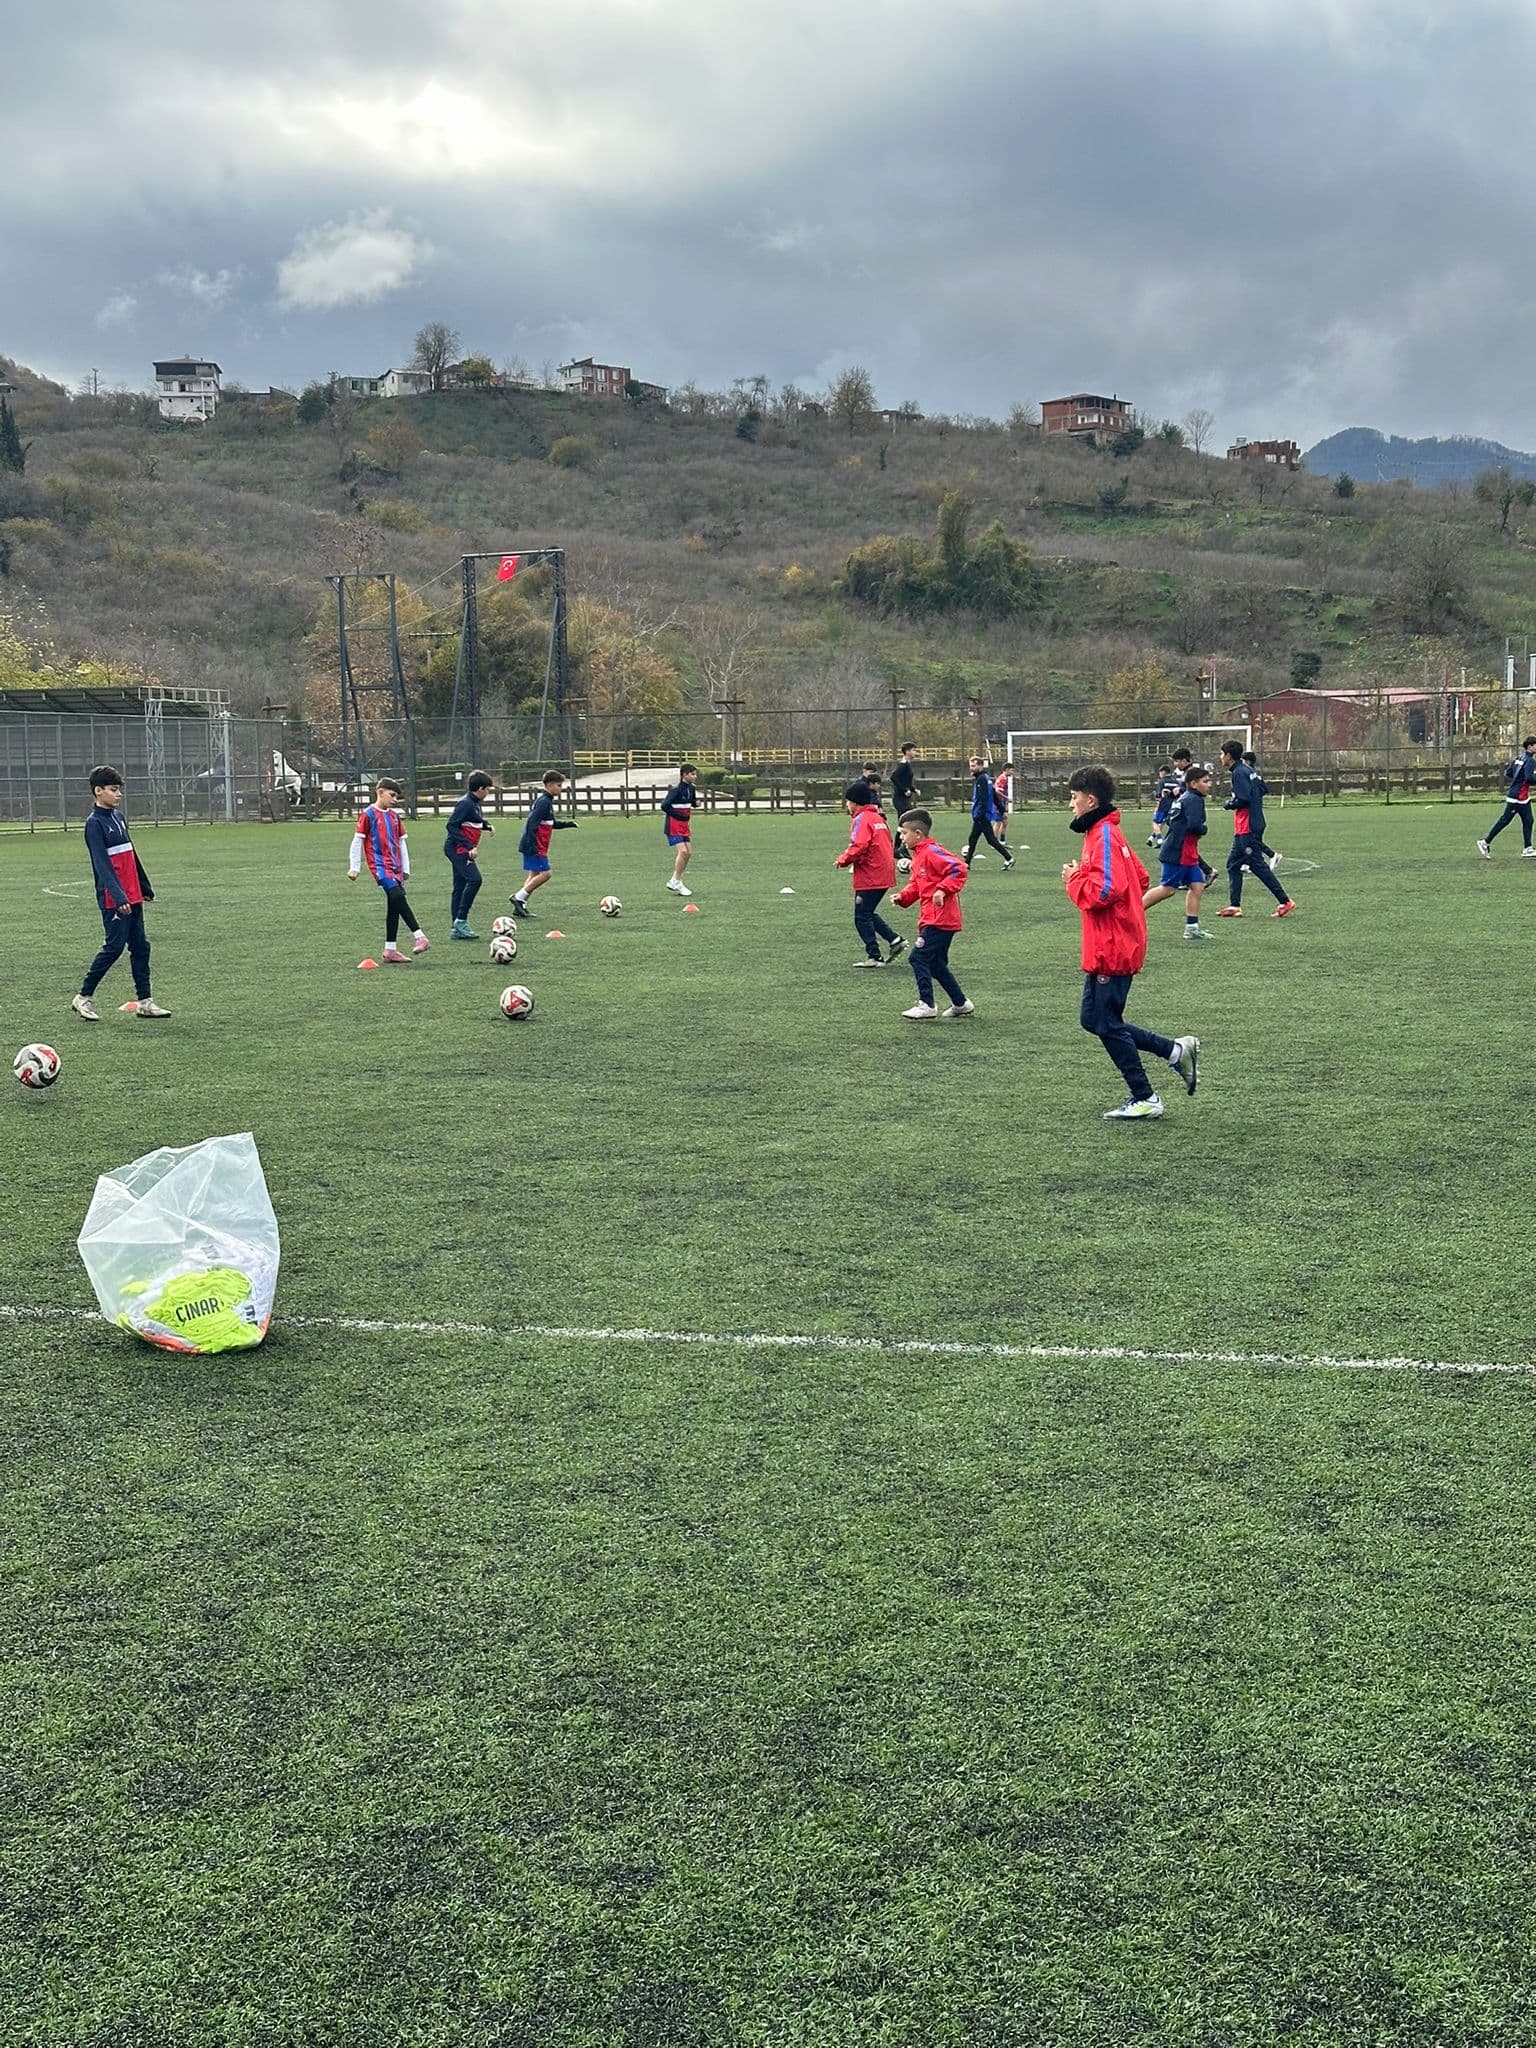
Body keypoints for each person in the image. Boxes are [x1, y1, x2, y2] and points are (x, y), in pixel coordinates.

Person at [1063, 765, 1198, 1121]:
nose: (1071, 805)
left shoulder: (1104, 835)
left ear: (1090, 800)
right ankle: (1173, 1051)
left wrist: (1074, 878)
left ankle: (1146, 1095)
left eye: (1074, 798)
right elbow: (1139, 878)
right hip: (1110, 940)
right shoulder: (1105, 833)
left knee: (1104, 1021)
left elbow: (1105, 890)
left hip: (1113, 944)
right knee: (1093, 1019)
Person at [71, 766, 171, 1020]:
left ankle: (145, 1002)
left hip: (132, 894)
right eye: (113, 790)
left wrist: (144, 886)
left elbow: (130, 854)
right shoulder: (94, 824)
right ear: (98, 791)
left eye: (119, 790)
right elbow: (102, 865)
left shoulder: (119, 817)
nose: (118, 795)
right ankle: (83, 997)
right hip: (114, 898)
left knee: (141, 946)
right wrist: (119, 897)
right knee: (114, 947)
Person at [893, 809, 972, 1020]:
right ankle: (961, 1003)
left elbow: (959, 868)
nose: (901, 837)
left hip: (941, 918)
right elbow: (917, 885)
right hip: (932, 917)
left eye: (903, 833)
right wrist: (903, 897)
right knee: (936, 964)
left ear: (918, 833)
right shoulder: (918, 856)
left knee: (917, 957)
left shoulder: (932, 852)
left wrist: (943, 889)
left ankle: (926, 1004)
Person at [349, 775, 429, 962]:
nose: (394, 800)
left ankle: (390, 950)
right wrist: (354, 867)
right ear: (380, 792)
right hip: (379, 866)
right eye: (392, 795)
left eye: (397, 797)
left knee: (394, 906)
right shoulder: (368, 815)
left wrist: (406, 869)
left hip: (396, 868)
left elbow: (402, 844)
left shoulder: (394, 817)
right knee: (397, 896)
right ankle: (420, 936)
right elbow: (357, 840)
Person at [1217, 741, 1296, 919]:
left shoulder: (1238, 772)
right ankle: (1234, 905)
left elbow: (1243, 798)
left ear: (1229, 755)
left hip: (1248, 826)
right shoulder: (1248, 770)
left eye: (1221, 754)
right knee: (1233, 864)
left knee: (1256, 865)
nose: (1220, 757)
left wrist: (1230, 804)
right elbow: (1262, 789)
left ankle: (1285, 901)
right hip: (1250, 823)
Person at [835, 779, 905, 968]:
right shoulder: (878, 818)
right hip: (883, 871)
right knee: (867, 912)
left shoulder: (862, 819)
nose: (847, 806)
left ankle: (875, 956)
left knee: (861, 917)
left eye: (848, 802)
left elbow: (860, 845)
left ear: (855, 802)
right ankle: (894, 940)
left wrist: (843, 860)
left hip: (872, 873)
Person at [1142, 764, 1213, 939]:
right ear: (1194, 784)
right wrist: (1203, 829)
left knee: (1197, 886)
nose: (1209, 784)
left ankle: (1192, 928)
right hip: (1178, 852)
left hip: (1186, 852)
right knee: (1167, 889)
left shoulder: (1184, 798)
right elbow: (1194, 825)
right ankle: (1131, 913)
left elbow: (1172, 821)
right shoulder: (1194, 799)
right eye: (1205, 781)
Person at [511, 770, 577, 920]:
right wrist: (531, 844)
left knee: (534, 874)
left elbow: (549, 823)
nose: (561, 789)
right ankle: (518, 898)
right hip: (535, 845)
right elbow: (531, 823)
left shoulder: (546, 801)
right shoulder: (543, 802)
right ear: (550, 785)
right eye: (559, 785)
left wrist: (568, 824)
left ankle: (520, 906)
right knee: (546, 874)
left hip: (537, 845)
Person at [445, 770, 495, 939]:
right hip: (457, 849)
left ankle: (456, 928)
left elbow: (472, 819)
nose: (488, 793)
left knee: (459, 887)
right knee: (475, 879)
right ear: (480, 788)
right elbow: (451, 826)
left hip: (459, 849)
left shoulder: (474, 803)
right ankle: (461, 921)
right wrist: (468, 846)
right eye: (487, 789)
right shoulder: (466, 803)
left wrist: (486, 825)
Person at [1478, 737, 1536, 860]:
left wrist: (1519, 780)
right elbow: (1530, 778)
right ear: (1530, 746)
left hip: (1521, 797)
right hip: (1517, 797)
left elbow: (1509, 773)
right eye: (1535, 745)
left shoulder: (1519, 758)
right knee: (1504, 821)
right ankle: (1485, 841)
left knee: (1529, 820)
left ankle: (1528, 848)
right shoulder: (1530, 761)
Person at [964, 756, 1014, 869]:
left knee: (990, 840)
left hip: (982, 815)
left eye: (973, 766)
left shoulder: (982, 779)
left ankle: (1009, 859)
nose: (971, 768)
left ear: (981, 766)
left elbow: (983, 799)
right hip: (982, 815)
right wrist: (1001, 809)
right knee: (973, 838)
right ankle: (967, 863)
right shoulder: (986, 778)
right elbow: (994, 796)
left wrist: (980, 815)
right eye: (970, 766)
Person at [662, 764, 698, 896]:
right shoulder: (675, 790)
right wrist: (679, 816)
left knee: (688, 853)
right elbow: (664, 805)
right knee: (683, 851)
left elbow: (691, 802)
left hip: (684, 825)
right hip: (674, 825)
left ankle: (676, 880)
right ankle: (675, 881)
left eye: (695, 774)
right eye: (692, 774)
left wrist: (696, 804)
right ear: (684, 775)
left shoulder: (692, 789)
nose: (695, 776)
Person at [1242, 751, 1280, 866]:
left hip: (1252, 813)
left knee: (1250, 839)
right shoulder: (1256, 774)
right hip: (1257, 811)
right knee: (1251, 839)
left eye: (1243, 761)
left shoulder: (1248, 775)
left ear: (1247, 761)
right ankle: (1247, 863)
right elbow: (1265, 789)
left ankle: (1272, 854)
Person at [1149, 761, 1180, 850]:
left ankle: (1159, 840)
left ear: (1163, 772)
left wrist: (1157, 802)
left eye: (1160, 772)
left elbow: (1159, 795)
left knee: (1155, 822)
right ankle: (1151, 838)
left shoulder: (1162, 782)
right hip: (1173, 806)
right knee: (1165, 823)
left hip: (1163, 805)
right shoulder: (1176, 782)